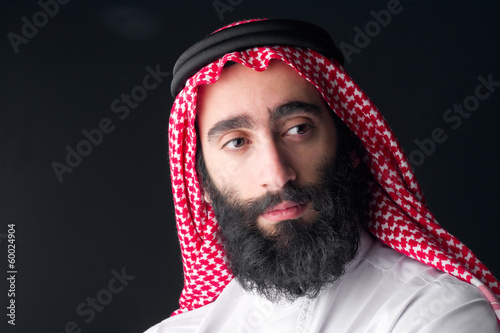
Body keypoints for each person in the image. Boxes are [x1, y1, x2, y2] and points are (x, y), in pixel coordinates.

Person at [145, 18, 500, 332]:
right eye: (237, 142)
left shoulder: (435, 312)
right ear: (202, 183)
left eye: (298, 129)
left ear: (350, 148)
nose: (277, 174)